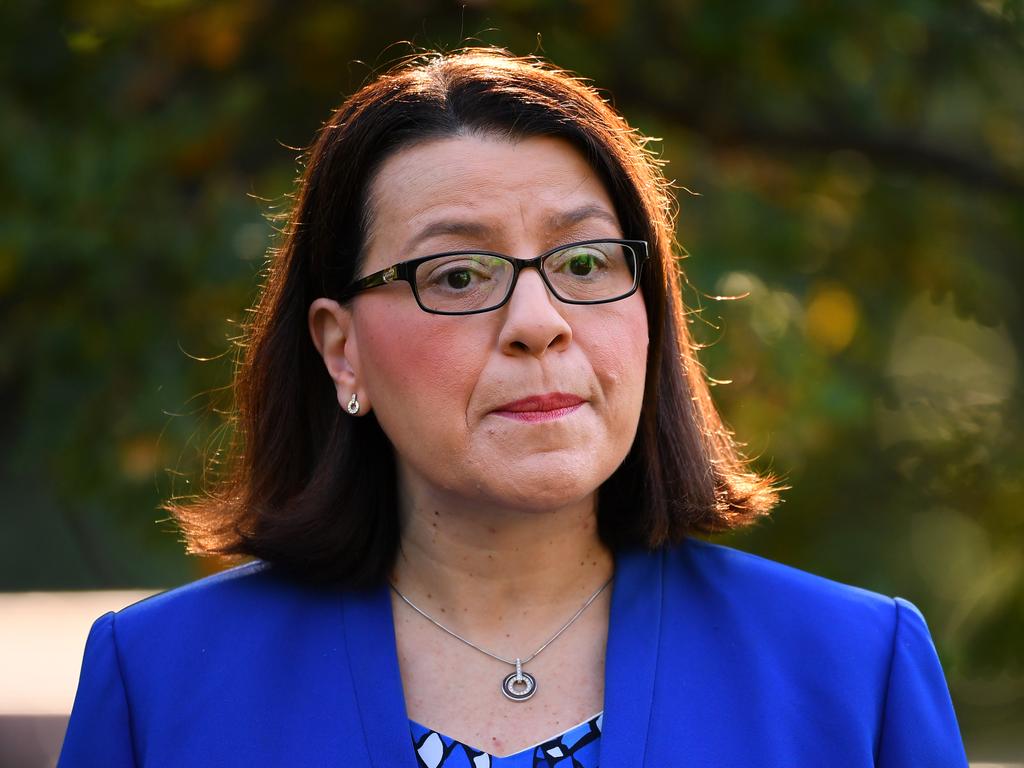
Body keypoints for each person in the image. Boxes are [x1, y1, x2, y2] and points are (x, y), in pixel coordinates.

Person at [58, 48, 968, 767]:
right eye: (457, 274)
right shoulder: (161, 682)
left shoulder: (853, 669)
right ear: (343, 350)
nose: (540, 324)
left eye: (584, 264)